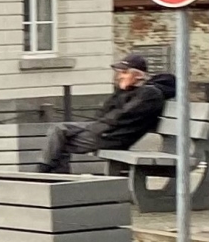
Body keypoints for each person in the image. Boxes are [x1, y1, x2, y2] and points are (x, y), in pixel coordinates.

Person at [35, 55, 173, 173]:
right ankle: (52, 175)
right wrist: (121, 91)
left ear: (138, 75)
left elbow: (122, 116)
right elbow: (105, 111)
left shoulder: (150, 93)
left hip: (113, 137)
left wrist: (96, 127)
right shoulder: (130, 91)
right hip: (104, 130)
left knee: (60, 141)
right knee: (59, 132)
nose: (119, 76)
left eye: (124, 72)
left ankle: (45, 173)